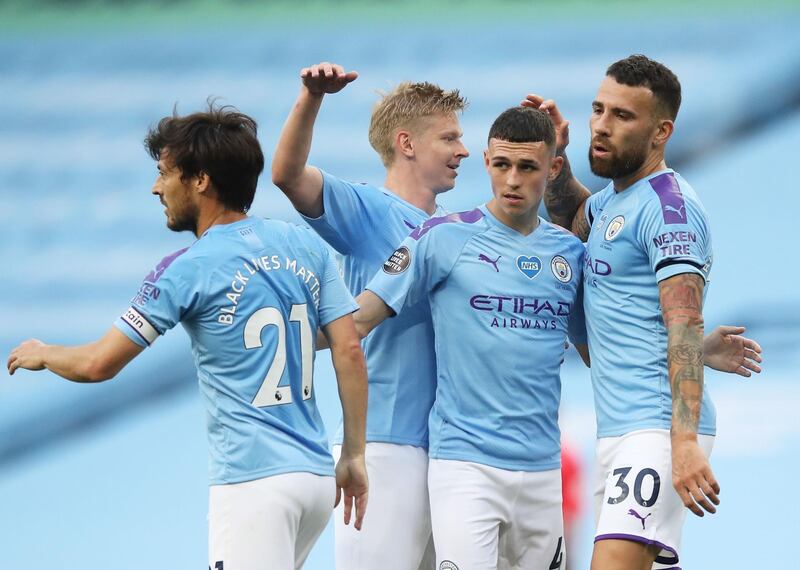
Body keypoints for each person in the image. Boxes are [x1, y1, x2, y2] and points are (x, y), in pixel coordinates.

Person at [7, 102, 369, 570]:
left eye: (165, 173)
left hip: (253, 485)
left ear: (200, 180)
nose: (156, 187)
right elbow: (349, 349)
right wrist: (354, 454)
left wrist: (44, 353)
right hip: (315, 478)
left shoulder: (185, 270)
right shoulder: (303, 244)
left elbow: (99, 363)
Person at [524, 54, 763, 569]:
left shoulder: (668, 208)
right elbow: (570, 219)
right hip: (619, 429)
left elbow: (684, 323)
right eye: (597, 110)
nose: (602, 127)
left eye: (622, 116)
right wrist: (557, 158)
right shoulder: (615, 201)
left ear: (661, 132)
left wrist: (682, 444)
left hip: (657, 429)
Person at [349, 105, 585, 569]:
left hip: (542, 471)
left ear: (553, 168)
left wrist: (693, 353)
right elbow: (357, 319)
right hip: (465, 467)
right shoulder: (443, 238)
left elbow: (599, 350)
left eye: (527, 167)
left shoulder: (570, 254)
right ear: (486, 161)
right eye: (501, 165)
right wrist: (288, 331)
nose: (512, 180)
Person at [271, 61, 468, 569]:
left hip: (446, 452)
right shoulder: (366, 209)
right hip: (384, 447)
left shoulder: (451, 233)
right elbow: (287, 175)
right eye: (449, 138)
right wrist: (312, 97)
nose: (463, 151)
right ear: (407, 144)